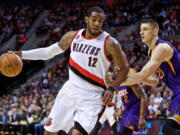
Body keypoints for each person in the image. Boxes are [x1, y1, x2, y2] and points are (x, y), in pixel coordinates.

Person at [10, 6, 129, 135]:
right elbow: (47, 52)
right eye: (94, 20)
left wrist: (112, 88)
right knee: (49, 133)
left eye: (100, 21)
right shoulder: (73, 36)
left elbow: (125, 67)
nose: (97, 23)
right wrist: (21, 54)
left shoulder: (110, 43)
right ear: (86, 19)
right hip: (70, 90)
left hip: (93, 96)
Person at [121, 19, 180, 135]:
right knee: (169, 129)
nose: (141, 32)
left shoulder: (162, 48)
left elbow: (143, 74)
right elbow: (154, 81)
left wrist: (116, 84)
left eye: (145, 29)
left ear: (155, 31)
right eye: (140, 30)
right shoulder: (150, 52)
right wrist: (134, 76)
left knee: (169, 128)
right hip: (177, 93)